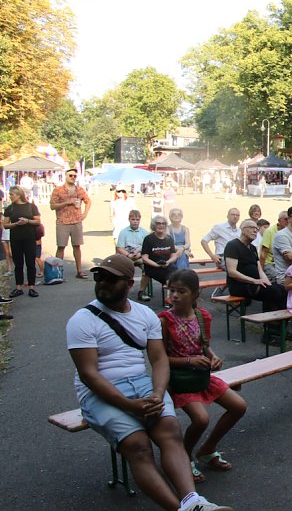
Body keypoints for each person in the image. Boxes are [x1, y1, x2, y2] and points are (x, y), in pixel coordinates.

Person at [65, 254, 232, 511]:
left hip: (142, 384)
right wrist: (129, 405)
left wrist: (157, 392)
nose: (103, 283)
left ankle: (192, 501)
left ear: (129, 284)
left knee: (170, 431)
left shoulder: (144, 315)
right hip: (98, 392)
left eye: (111, 279)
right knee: (138, 446)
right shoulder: (82, 320)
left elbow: (159, 359)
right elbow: (89, 375)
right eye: (99, 277)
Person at [158, 269, 247, 484]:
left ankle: (207, 449)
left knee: (238, 406)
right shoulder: (164, 320)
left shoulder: (202, 316)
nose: (175, 296)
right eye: (172, 290)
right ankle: (184, 456)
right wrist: (189, 361)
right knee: (201, 419)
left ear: (195, 294)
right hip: (179, 380)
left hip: (200, 375)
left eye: (181, 291)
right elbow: (159, 359)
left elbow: (204, 346)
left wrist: (213, 358)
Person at [224, 220, 287, 336]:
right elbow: (232, 272)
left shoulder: (252, 248)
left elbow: (259, 270)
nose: (255, 231)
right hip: (239, 285)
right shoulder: (232, 245)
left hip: (254, 283)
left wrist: (267, 283)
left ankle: (281, 329)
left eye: (256, 229)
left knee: (282, 290)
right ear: (243, 229)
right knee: (272, 292)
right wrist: (255, 281)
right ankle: (270, 333)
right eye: (252, 228)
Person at [50, 168, 91, 279]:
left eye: (74, 176)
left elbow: (88, 201)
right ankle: (57, 273)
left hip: (76, 221)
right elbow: (52, 206)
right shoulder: (58, 190)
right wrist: (67, 202)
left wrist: (85, 214)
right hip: (62, 222)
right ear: (65, 176)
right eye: (70, 175)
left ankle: (79, 271)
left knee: (77, 246)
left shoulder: (80, 190)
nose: (73, 177)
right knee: (61, 247)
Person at [3, 185, 41, 297]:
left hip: (29, 238)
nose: (10, 196)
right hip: (16, 238)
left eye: (12, 194)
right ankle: (18, 287)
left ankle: (31, 287)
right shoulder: (10, 208)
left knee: (30, 263)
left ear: (19, 195)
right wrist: (15, 224)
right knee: (18, 263)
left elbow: (38, 221)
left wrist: (27, 221)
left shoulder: (31, 207)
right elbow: (5, 225)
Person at [139, 216, 180, 302]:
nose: (161, 225)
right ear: (154, 225)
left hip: (166, 265)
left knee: (174, 271)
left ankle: (170, 297)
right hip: (152, 266)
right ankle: (170, 298)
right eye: (158, 223)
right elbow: (145, 258)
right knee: (171, 274)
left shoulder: (169, 239)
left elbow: (174, 256)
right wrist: (157, 265)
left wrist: (168, 262)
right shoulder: (148, 239)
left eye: (163, 223)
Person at [260, 211, 288, 280]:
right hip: (269, 263)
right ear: (279, 220)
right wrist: (260, 272)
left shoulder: (288, 232)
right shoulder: (269, 232)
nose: (288, 221)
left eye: (289, 219)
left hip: (282, 263)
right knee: (278, 277)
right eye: (285, 219)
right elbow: (263, 254)